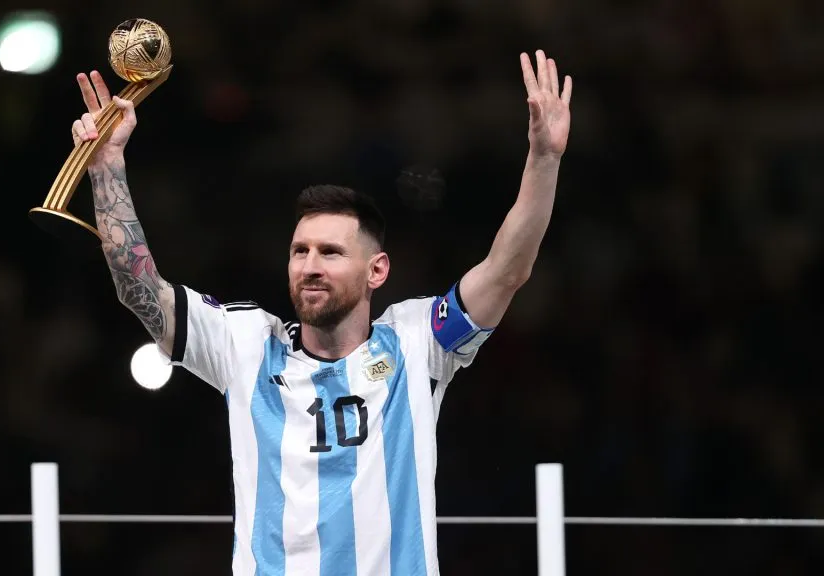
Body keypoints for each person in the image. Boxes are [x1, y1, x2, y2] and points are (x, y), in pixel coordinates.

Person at [71, 49, 572, 575]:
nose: (310, 265)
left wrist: (544, 159)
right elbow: (138, 287)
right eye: (300, 251)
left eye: (331, 253)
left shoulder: (417, 341)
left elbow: (506, 269)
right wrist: (107, 169)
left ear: (377, 271)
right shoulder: (245, 344)